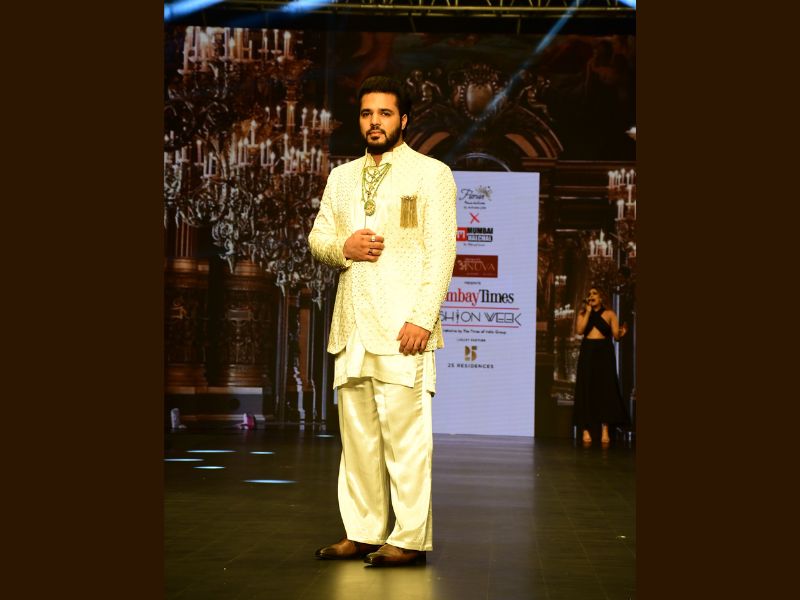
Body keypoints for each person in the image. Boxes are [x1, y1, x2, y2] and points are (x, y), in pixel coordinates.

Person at [308, 75, 457, 567]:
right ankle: (363, 532)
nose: (375, 122)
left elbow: (441, 254)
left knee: (406, 440)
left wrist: (422, 319)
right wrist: (343, 248)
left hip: (403, 328)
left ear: (403, 119)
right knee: (358, 440)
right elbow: (318, 239)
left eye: (385, 113)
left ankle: (409, 539)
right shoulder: (341, 177)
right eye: (367, 113)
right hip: (352, 326)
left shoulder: (431, 174)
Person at [572, 286, 629, 446]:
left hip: (604, 352)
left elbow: (616, 337)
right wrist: (588, 312)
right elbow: (580, 330)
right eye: (589, 294)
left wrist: (621, 333)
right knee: (586, 387)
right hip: (588, 351)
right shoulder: (583, 313)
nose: (591, 296)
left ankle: (605, 428)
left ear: (601, 297)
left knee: (605, 388)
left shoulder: (610, 314)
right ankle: (585, 429)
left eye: (594, 293)